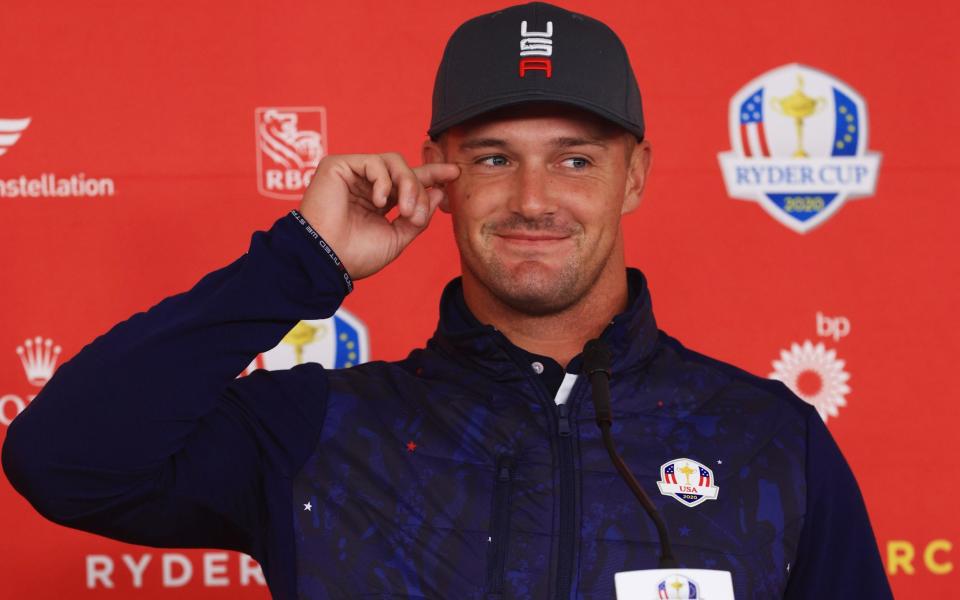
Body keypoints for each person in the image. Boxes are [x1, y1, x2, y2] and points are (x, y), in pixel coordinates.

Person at [2, 2, 891, 598]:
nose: (534, 197)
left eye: (575, 158)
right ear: (443, 172)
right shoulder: (322, 432)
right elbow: (64, 461)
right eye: (494, 157)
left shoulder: (767, 439)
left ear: (636, 176)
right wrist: (300, 264)